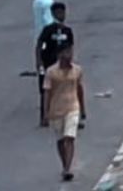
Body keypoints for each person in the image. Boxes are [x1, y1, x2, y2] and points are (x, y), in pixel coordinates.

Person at [44, 45, 86, 181]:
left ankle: (68, 169)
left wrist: (83, 109)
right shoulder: (51, 72)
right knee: (61, 140)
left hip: (73, 108)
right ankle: (64, 165)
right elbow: (47, 93)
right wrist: (46, 112)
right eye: (66, 53)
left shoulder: (77, 70)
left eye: (70, 52)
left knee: (70, 138)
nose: (69, 56)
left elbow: (80, 89)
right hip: (56, 111)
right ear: (59, 55)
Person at [36, 2, 75, 128]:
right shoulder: (48, 30)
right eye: (58, 12)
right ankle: (45, 116)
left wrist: (70, 61)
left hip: (63, 65)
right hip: (48, 64)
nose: (61, 15)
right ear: (53, 14)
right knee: (46, 91)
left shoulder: (68, 31)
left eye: (62, 12)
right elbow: (40, 45)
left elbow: (70, 47)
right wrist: (39, 62)